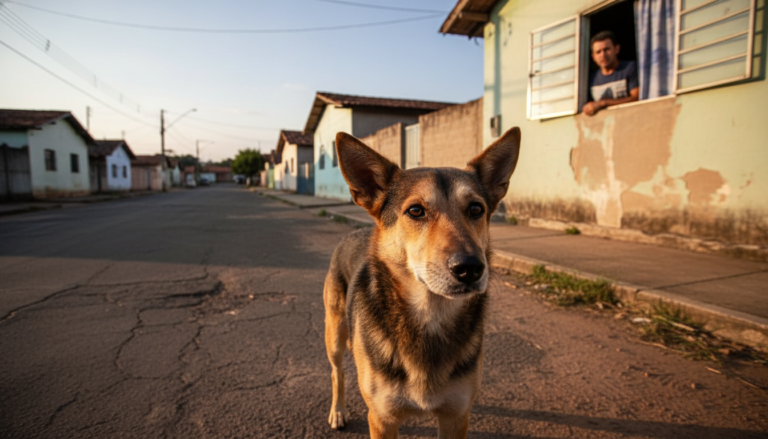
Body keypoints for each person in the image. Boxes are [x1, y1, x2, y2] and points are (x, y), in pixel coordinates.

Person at [583, 30, 639, 116]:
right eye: (598, 52)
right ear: (593, 57)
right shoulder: (591, 78)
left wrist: (603, 103)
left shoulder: (630, 68)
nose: (603, 55)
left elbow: (637, 98)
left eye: (606, 49)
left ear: (617, 49)